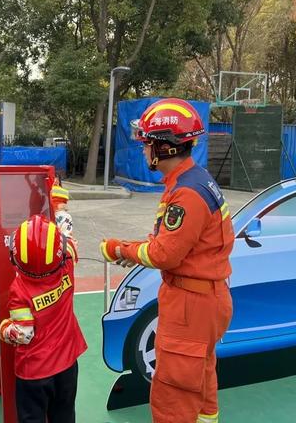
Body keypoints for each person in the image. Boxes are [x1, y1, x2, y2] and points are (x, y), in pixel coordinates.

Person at [99, 98, 233, 423]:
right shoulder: (195, 179)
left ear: (164, 147)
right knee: (200, 376)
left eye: (147, 143)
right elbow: (172, 242)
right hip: (205, 299)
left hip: (190, 304)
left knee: (172, 393)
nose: (144, 150)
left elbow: (164, 254)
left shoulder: (187, 194)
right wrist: (136, 249)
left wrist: (120, 250)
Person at [0, 214, 87, 423]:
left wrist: (4, 328)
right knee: (65, 416)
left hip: (34, 372)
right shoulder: (67, 264)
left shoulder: (19, 290)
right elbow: (68, 236)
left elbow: (23, 334)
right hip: (67, 364)